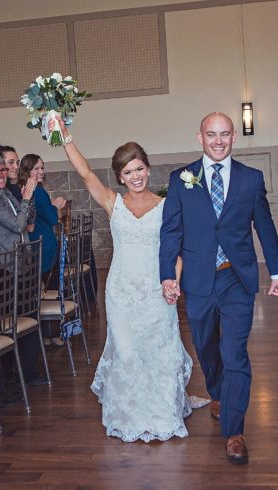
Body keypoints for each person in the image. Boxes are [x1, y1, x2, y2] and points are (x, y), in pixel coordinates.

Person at [53, 113, 208, 443]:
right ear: (120, 177)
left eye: (139, 169)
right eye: (128, 172)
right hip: (121, 290)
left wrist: (174, 281)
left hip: (157, 289)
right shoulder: (113, 203)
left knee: (159, 350)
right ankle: (130, 414)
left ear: (148, 169)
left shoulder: (167, 205)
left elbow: (178, 250)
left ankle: (163, 412)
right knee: (126, 352)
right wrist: (64, 136)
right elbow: (84, 172)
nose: (135, 176)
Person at [160, 112, 278, 465]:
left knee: (235, 353)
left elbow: (265, 226)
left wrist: (277, 271)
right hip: (198, 279)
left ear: (234, 138)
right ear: (199, 137)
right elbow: (171, 231)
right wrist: (167, 275)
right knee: (205, 345)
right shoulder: (180, 179)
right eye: (211, 134)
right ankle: (217, 393)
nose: (218, 140)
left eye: (225, 134)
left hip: (236, 277)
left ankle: (234, 431)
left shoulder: (251, 179)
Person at [0, 149, 47, 391]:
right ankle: (20, 373)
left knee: (29, 315)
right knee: (18, 318)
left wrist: (26, 201)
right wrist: (27, 198)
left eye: (4, 170)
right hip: (7, 266)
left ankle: (28, 371)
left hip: (22, 261)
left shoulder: (7, 192)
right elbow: (20, 224)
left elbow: (29, 222)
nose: (1, 174)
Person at [18, 153, 67, 280]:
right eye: (36, 169)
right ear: (26, 171)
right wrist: (55, 206)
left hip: (34, 242)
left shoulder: (23, 189)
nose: (41, 172)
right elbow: (53, 219)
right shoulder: (37, 190)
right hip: (44, 243)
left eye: (42, 168)